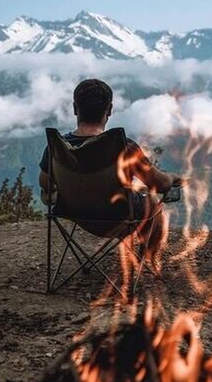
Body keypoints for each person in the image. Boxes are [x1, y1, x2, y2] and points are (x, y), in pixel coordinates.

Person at [39, 78, 184, 262]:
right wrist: (173, 178)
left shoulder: (58, 148)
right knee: (152, 199)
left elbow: (45, 182)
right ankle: (149, 260)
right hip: (120, 217)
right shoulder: (124, 147)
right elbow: (159, 183)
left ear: (75, 108)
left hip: (74, 213)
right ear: (110, 110)